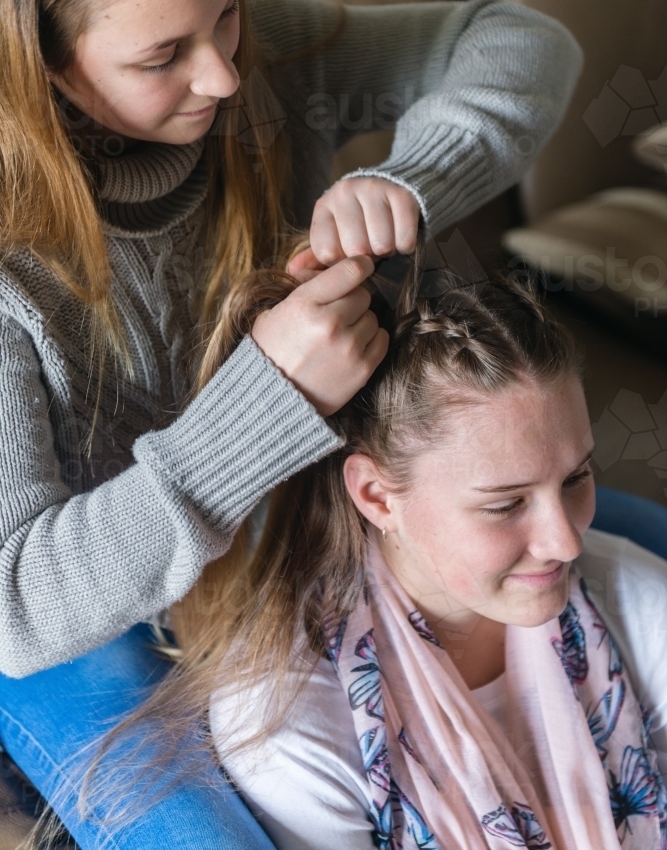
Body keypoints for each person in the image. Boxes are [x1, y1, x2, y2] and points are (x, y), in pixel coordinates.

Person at [0, 0, 584, 845]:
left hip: (323, 525)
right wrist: (266, 399)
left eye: (226, 9)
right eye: (162, 55)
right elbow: (20, 606)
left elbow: (520, 41)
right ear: (36, 58)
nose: (225, 72)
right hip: (95, 628)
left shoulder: (265, 57)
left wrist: (410, 184)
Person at [184, 246, 667, 850]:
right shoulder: (288, 724)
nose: (566, 541)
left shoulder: (639, 602)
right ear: (378, 497)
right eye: (505, 505)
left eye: (575, 478)